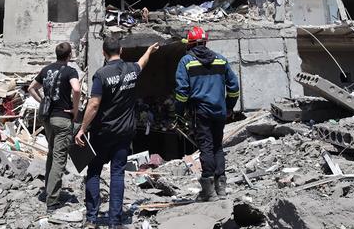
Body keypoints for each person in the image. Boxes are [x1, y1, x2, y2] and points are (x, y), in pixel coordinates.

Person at [75, 37, 159, 228]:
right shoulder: (131, 70)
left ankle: (91, 219)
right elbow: (141, 63)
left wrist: (82, 129)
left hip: (103, 132)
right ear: (120, 50)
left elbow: (94, 104)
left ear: (104, 52)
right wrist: (149, 51)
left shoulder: (101, 75)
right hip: (125, 133)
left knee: (94, 171)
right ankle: (115, 222)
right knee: (117, 174)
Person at [174, 26, 240, 201]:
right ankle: (222, 188)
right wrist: (228, 107)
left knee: (206, 148)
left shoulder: (186, 62)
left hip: (200, 113)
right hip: (219, 112)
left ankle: (209, 191)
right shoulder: (221, 60)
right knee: (217, 147)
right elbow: (234, 88)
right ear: (205, 42)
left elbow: (182, 92)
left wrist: (178, 113)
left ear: (191, 43)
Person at [28, 42, 81, 212]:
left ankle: (47, 190)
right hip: (62, 119)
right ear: (69, 55)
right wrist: (74, 108)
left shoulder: (46, 70)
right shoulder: (70, 71)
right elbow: (77, 89)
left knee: (51, 153)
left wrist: (42, 101)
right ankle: (52, 200)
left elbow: (31, 88)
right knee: (59, 158)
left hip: (47, 118)